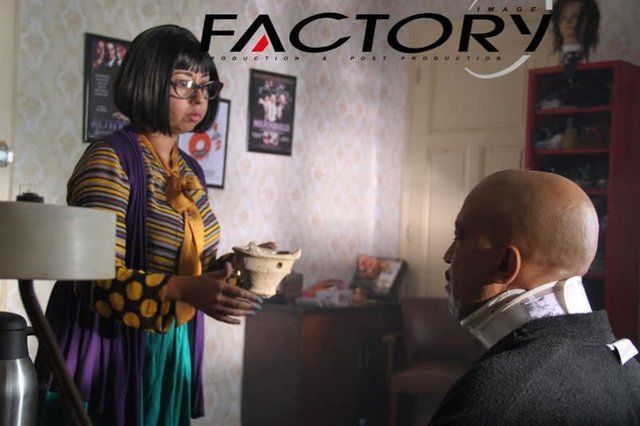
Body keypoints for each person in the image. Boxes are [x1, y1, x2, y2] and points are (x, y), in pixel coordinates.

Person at [36, 24, 269, 425]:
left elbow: (195, 266)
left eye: (205, 86)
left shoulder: (190, 170)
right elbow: (95, 281)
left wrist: (241, 266)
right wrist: (185, 289)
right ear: (148, 81)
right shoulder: (109, 159)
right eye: (184, 83)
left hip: (169, 348)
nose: (199, 97)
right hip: (106, 351)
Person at [430, 170, 640, 425]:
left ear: (505, 264)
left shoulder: (495, 398)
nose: (448, 255)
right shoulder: (630, 374)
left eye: (460, 238)